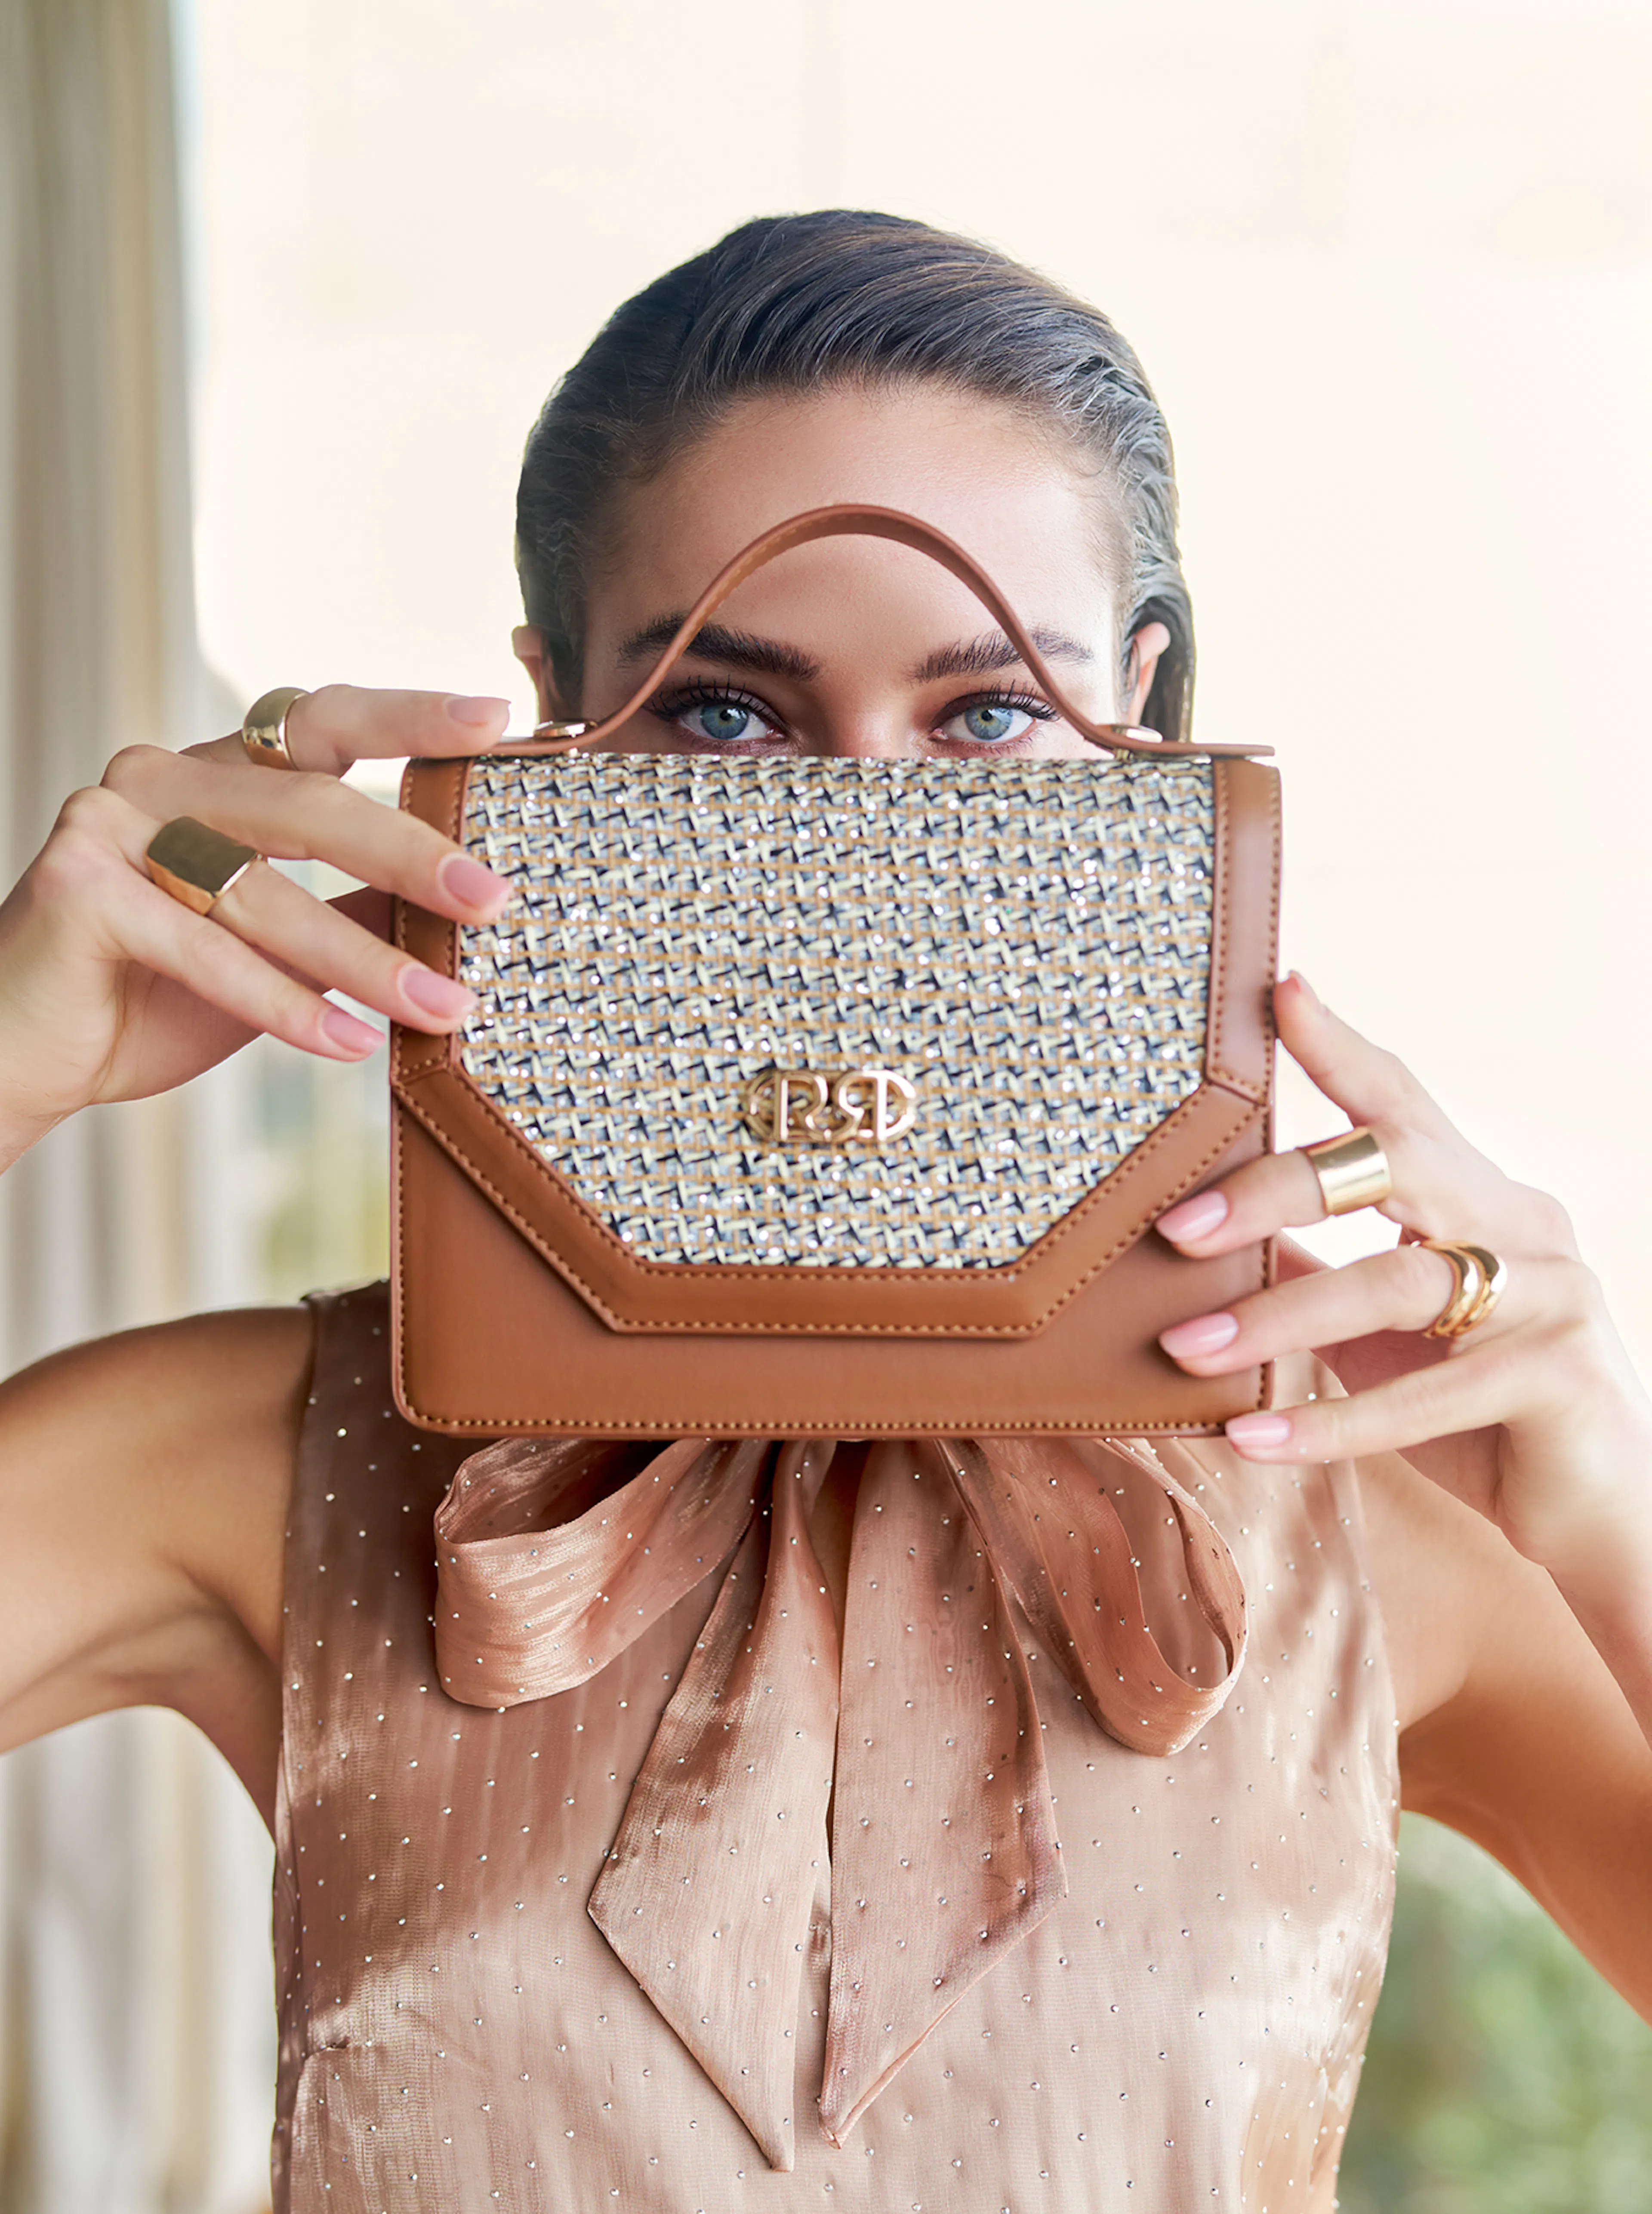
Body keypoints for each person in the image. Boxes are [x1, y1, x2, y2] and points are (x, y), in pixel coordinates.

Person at [0, 209, 1647, 2212]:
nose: (867, 844)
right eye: (724, 716)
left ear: (1143, 717)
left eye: (986, 718)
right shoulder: (273, 1457)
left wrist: (1602, 1508)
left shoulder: (1376, 1499)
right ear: (545, 724)